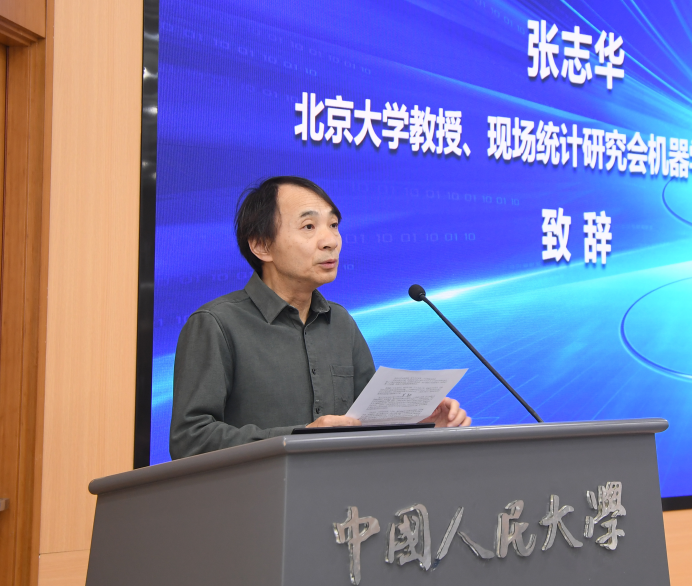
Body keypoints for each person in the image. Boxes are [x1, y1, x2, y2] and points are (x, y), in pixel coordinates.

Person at [170, 176, 470, 459]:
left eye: (334, 225)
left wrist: (421, 426)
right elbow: (190, 440)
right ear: (261, 245)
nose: (331, 241)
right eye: (309, 226)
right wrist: (299, 437)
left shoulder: (340, 323)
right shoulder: (217, 323)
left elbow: (368, 424)